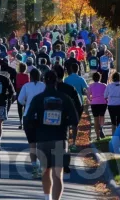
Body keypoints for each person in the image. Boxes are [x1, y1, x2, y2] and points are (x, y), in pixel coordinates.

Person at [25, 70, 79, 200]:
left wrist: (32, 136)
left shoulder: (38, 99)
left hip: (42, 140)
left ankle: (47, 197)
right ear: (56, 81)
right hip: (60, 139)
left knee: (45, 171)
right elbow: (75, 120)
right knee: (57, 175)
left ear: (44, 81)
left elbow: (27, 119)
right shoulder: (65, 98)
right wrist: (64, 121)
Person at [18, 68, 46, 178]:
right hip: (41, 116)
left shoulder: (26, 86)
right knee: (41, 142)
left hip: (28, 116)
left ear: (31, 76)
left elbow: (20, 100)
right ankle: (42, 166)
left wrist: (27, 103)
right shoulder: (43, 86)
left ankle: (34, 166)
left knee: (32, 144)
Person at [52, 65, 82, 153]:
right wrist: (75, 118)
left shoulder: (49, 89)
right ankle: (72, 144)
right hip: (66, 120)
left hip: (52, 121)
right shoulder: (70, 88)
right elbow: (79, 105)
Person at [88, 72, 107, 140]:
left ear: (93, 78)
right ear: (100, 78)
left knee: (96, 119)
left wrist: (91, 100)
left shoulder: (91, 86)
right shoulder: (104, 85)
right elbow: (107, 95)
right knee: (102, 116)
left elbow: (88, 95)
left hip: (94, 103)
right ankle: (101, 127)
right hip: (103, 103)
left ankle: (97, 136)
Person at [15, 62, 30, 129]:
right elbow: (28, 84)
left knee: (19, 108)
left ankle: (21, 122)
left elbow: (17, 85)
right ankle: (25, 122)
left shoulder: (17, 75)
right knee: (26, 108)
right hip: (26, 93)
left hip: (19, 93)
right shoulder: (27, 76)